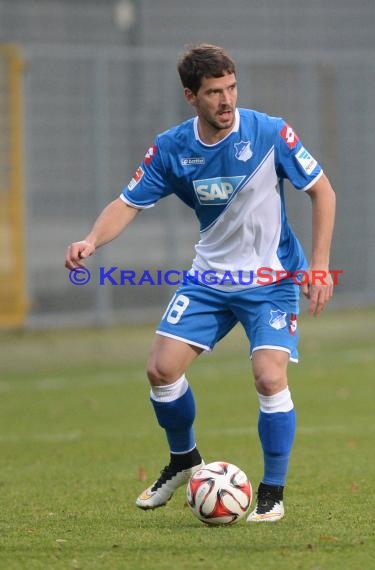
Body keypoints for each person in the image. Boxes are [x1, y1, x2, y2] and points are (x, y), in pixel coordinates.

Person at [65, 43, 335, 523]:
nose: (227, 100)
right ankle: (184, 459)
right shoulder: (173, 148)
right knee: (161, 370)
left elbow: (322, 190)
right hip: (209, 279)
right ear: (191, 96)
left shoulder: (269, 132)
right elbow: (127, 202)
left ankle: (272, 492)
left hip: (270, 280)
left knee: (270, 377)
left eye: (231, 88)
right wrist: (91, 240)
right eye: (214, 92)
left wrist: (317, 265)